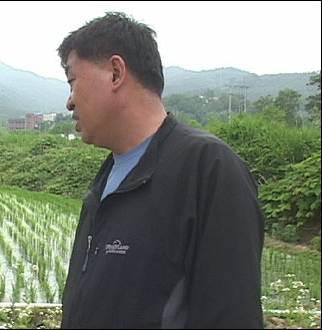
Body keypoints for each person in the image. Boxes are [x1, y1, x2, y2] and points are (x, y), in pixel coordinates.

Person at [57, 12, 265, 329]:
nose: (69, 102)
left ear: (115, 72)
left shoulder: (209, 169)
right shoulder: (109, 175)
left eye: (73, 82)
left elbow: (231, 316)